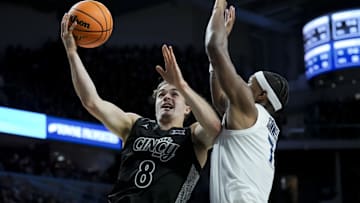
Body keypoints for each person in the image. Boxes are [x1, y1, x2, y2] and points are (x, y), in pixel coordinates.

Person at [61, 13, 221, 203]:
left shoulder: (193, 137)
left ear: (188, 108)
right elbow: (92, 102)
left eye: (174, 93)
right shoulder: (134, 124)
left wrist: (182, 85)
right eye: (161, 94)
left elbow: (214, 128)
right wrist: (72, 53)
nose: (166, 97)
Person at [205, 0, 290, 202]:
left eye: (250, 82)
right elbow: (219, 101)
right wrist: (214, 60)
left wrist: (219, 5)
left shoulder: (252, 111)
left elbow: (213, 47)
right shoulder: (261, 124)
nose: (243, 84)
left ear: (262, 96)